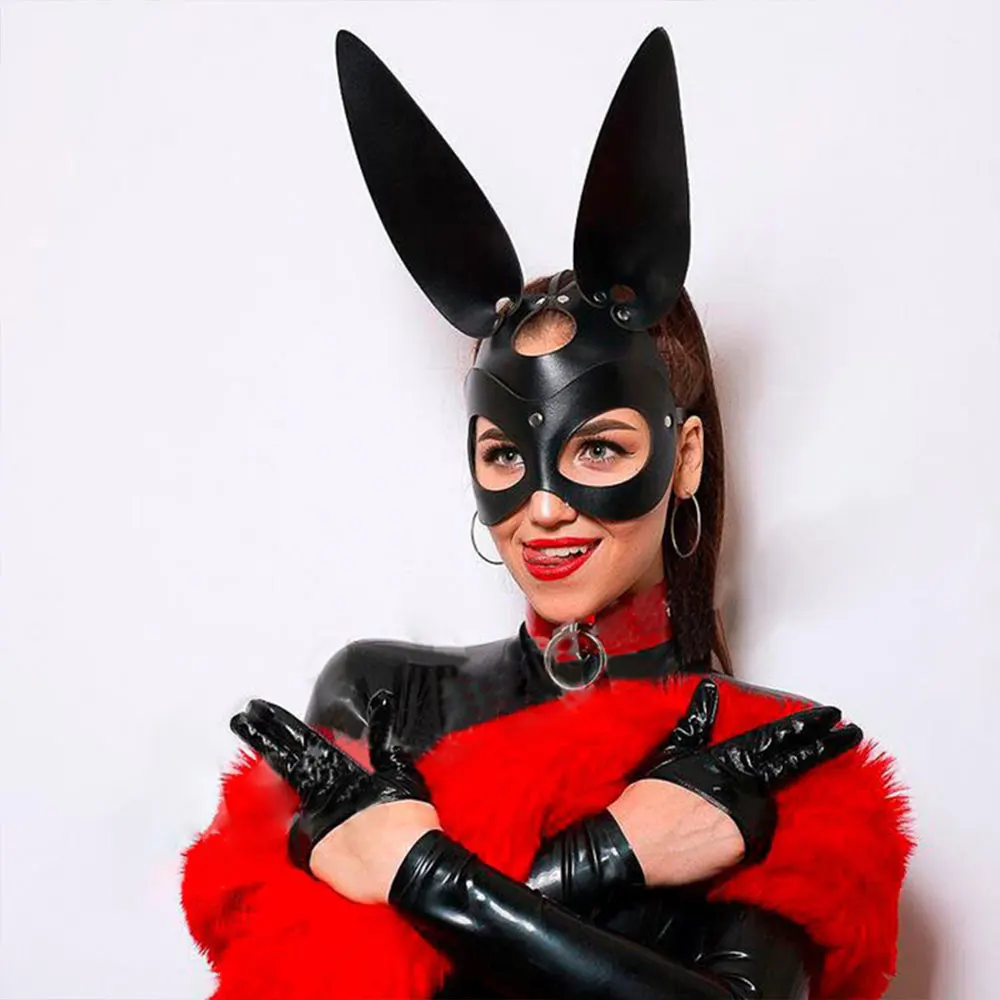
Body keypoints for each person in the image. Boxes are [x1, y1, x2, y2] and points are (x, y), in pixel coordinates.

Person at [180, 27, 913, 1000]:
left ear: (684, 458)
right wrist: (601, 859)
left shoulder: (774, 759)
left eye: (598, 449)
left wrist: (422, 878)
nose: (544, 507)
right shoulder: (380, 702)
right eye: (503, 456)